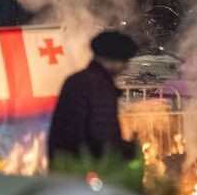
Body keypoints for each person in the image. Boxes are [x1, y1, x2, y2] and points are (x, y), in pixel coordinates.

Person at [48, 30, 138, 165]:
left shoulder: (75, 79)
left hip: (63, 164)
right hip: (84, 167)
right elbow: (102, 136)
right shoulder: (100, 86)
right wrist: (130, 150)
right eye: (124, 61)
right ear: (112, 61)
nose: (126, 67)